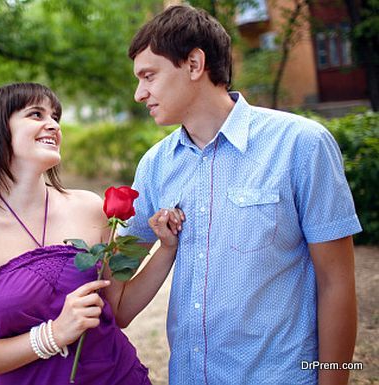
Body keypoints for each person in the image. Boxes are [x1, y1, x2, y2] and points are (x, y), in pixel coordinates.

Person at [118, 5, 362, 385]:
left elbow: (336, 282)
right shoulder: (155, 166)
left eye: (149, 76)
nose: (139, 94)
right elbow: (117, 291)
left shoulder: (301, 145)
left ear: (195, 63)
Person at [0, 82, 182, 384]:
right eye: (36, 114)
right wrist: (52, 335)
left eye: (55, 117)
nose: (52, 125)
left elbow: (120, 310)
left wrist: (167, 249)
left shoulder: (91, 208)